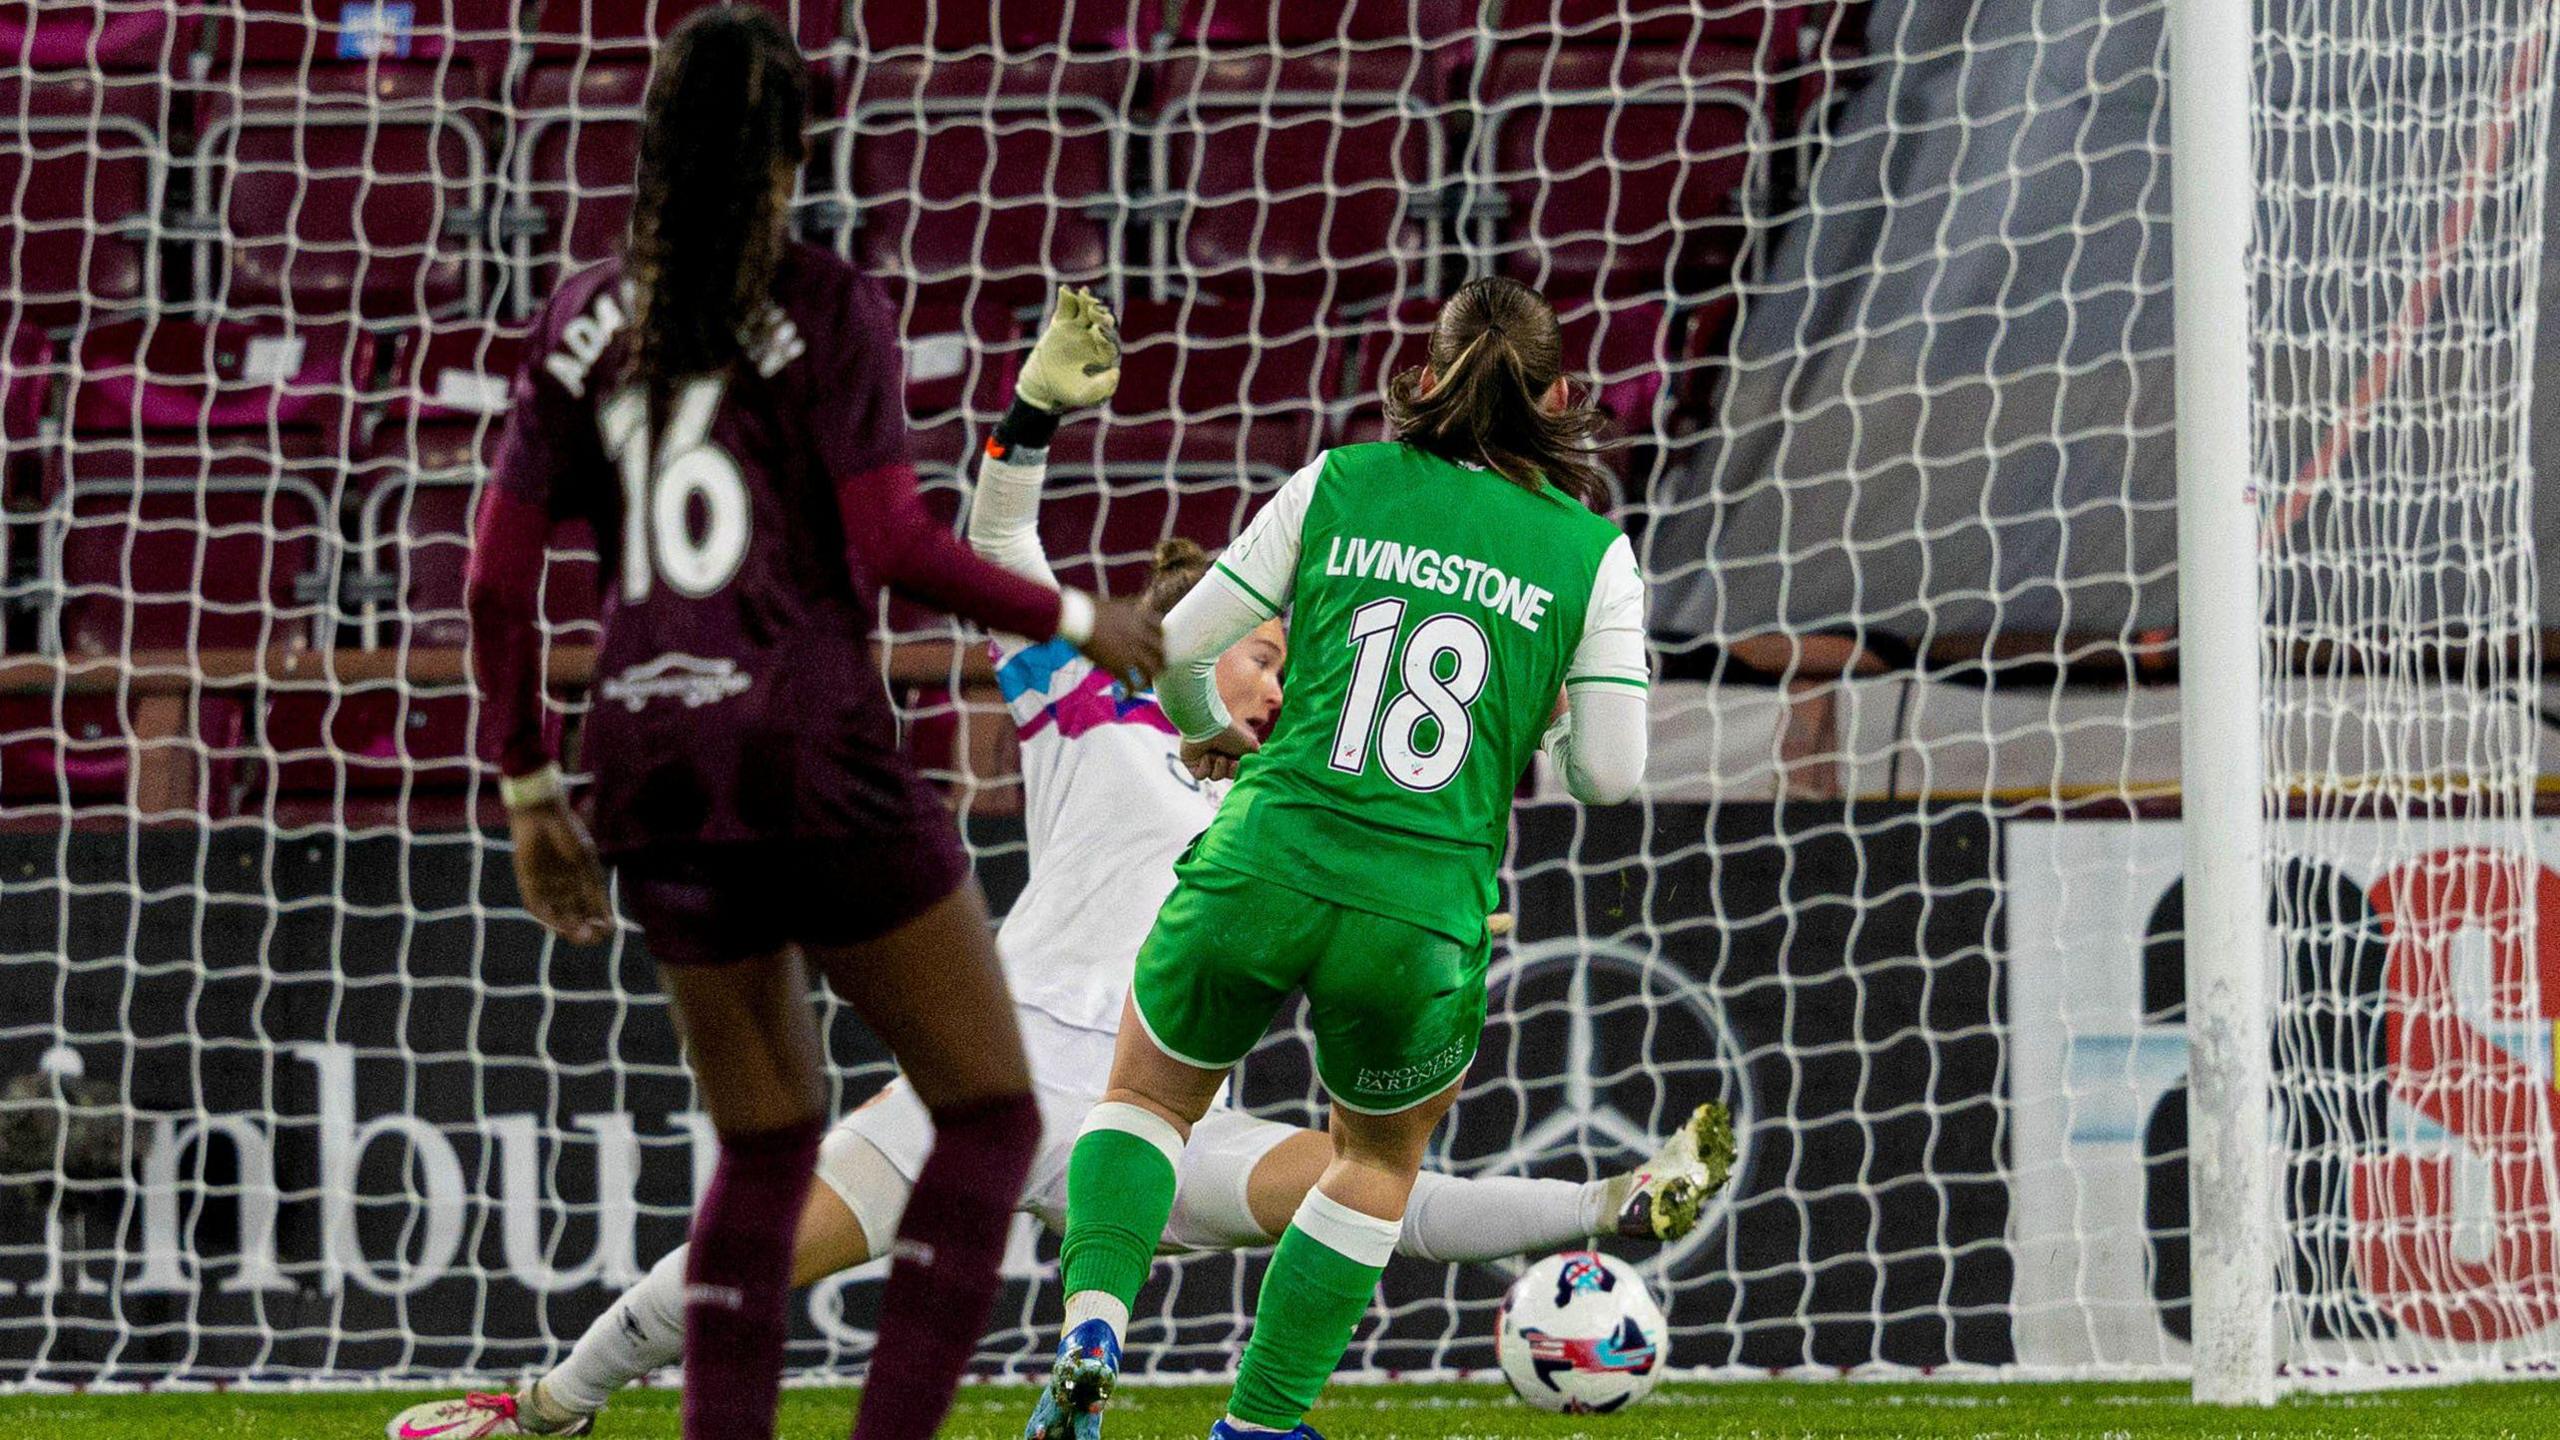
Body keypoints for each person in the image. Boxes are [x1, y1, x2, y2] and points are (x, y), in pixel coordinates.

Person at [399, 288, 1726, 1440]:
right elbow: (996, 550)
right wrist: (1025, 421)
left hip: (1133, 1118)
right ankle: (549, 1403)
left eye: (1284, 657)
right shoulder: (1102, 721)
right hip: (982, 1080)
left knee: (1362, 1183)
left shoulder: (1288, 805)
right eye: (1261, 655)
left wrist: (1604, 1194)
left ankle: (1600, 1199)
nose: (1273, 678)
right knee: (739, 1264)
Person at [459, 13, 1161, 1440]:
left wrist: (531, 783)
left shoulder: (580, 320)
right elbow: (892, 541)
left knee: (766, 1141)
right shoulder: (826, 301)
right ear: (791, 152)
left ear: (652, 151)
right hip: (809, 740)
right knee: (987, 1115)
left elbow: (493, 574)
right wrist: (1084, 620)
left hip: (645, 759)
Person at [1027, 275, 1657, 1440]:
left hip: (1265, 854)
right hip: (1418, 908)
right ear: (1567, 399)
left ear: (1419, 383)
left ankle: (1093, 1332)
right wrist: (1554, 712)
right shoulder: (1592, 556)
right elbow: (1608, 777)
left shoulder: (1341, 480)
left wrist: (1198, 722)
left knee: (1146, 1100)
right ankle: (1260, 1424)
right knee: (1373, 1157)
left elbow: (1175, 644)